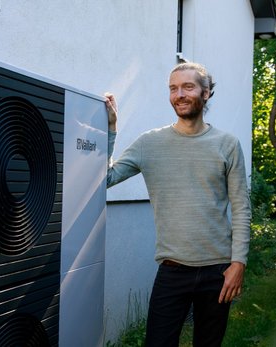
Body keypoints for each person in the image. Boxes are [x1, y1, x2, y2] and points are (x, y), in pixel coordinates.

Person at [104, 62, 251, 347]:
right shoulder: (150, 143)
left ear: (206, 93)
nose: (179, 94)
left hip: (218, 269)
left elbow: (241, 207)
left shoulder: (227, 144)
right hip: (173, 270)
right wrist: (111, 127)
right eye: (173, 88)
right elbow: (105, 179)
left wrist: (238, 263)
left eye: (188, 87)